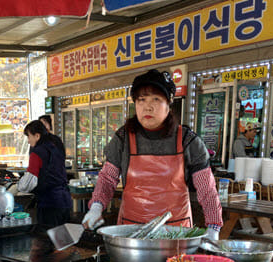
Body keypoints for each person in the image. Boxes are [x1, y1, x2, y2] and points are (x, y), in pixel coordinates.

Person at [81, 69, 223, 240]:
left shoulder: (188, 140)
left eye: (156, 99)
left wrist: (214, 226)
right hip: (131, 233)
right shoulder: (123, 138)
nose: (147, 106)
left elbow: (206, 188)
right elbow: (107, 178)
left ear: (169, 103)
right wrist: (96, 207)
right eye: (141, 100)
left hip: (176, 234)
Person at [18, 120, 72, 227]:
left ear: (37, 136)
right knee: (63, 239)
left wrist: (17, 186)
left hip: (49, 203)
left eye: (29, 137)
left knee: (48, 239)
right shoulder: (56, 144)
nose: (28, 141)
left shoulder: (37, 153)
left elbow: (27, 184)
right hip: (65, 199)